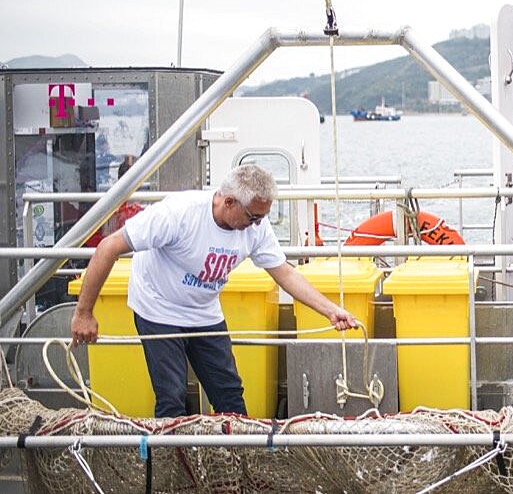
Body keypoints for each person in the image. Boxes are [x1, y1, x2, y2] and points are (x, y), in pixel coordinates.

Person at [70, 164, 358, 417]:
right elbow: (108, 248)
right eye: (253, 217)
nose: (256, 225)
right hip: (159, 308)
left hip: (204, 313)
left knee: (230, 394)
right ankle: (174, 473)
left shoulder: (255, 226)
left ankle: (235, 471)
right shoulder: (178, 214)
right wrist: (84, 313)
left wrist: (331, 311)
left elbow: (284, 273)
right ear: (229, 202)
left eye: (261, 218)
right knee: (171, 397)